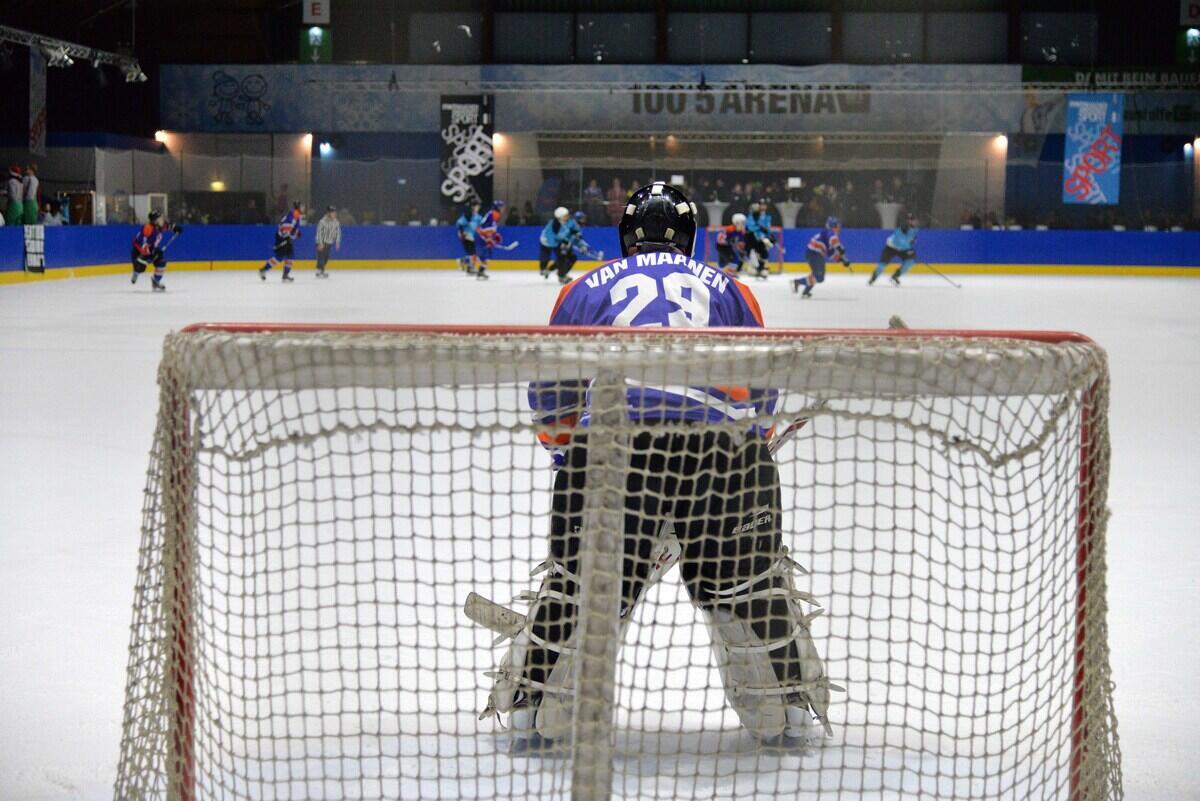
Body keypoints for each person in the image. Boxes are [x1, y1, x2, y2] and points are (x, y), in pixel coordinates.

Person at [476, 181, 834, 751]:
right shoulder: (732, 289)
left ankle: (532, 708)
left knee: (582, 586)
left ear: (626, 237)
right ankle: (787, 710)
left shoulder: (583, 288)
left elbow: (551, 396)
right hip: (723, 457)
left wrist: (571, 454)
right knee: (747, 585)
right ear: (691, 238)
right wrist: (752, 443)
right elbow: (763, 392)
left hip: (612, 452)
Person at [792, 216, 850, 299]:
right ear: (833, 226)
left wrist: (842, 260)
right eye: (837, 226)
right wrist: (839, 248)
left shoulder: (828, 235)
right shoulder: (829, 232)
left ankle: (805, 291)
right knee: (819, 276)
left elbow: (830, 254)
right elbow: (834, 241)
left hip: (814, 253)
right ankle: (797, 282)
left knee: (818, 276)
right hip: (814, 253)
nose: (839, 229)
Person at [131, 210, 181, 292]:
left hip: (150, 249)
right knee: (141, 268)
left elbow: (167, 226)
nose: (163, 220)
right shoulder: (148, 229)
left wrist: (175, 227)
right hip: (139, 252)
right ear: (155, 221)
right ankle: (136, 272)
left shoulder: (158, 226)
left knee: (161, 261)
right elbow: (144, 248)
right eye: (160, 218)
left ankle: (155, 281)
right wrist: (154, 253)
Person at [259, 201, 304, 282]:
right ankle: (282, 274)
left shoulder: (295, 214)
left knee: (285, 256)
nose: (303, 208)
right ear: (298, 207)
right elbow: (286, 226)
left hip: (283, 237)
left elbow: (291, 228)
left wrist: (295, 233)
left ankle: (266, 270)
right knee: (284, 256)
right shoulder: (295, 214)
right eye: (302, 206)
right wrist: (295, 233)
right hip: (283, 237)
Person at [869, 213, 918, 286]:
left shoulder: (915, 229)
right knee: (882, 265)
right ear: (909, 221)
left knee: (910, 261)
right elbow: (897, 241)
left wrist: (911, 244)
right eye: (914, 220)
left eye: (916, 220)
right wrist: (908, 248)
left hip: (903, 249)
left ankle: (895, 276)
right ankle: (873, 278)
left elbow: (910, 240)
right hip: (891, 248)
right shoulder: (903, 227)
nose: (916, 222)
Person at [473, 200, 504, 281]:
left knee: (486, 256)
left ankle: (481, 271)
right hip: (481, 236)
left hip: (482, 235)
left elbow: (490, 227)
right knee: (484, 255)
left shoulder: (492, 213)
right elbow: (486, 228)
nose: (503, 208)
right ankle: (480, 271)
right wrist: (489, 238)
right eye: (501, 206)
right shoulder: (494, 214)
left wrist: (495, 235)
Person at [745, 199, 775, 280]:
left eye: (764, 205)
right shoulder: (753, 214)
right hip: (753, 238)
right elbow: (750, 226)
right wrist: (760, 231)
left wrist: (769, 236)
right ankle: (754, 268)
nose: (763, 206)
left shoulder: (768, 215)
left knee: (763, 252)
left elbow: (767, 228)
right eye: (761, 204)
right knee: (753, 253)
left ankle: (762, 269)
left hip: (762, 238)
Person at [539, 206, 572, 279]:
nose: (568, 217)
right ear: (560, 216)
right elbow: (552, 239)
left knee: (563, 257)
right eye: (565, 215)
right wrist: (564, 243)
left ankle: (561, 275)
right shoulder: (554, 225)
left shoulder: (563, 222)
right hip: (546, 242)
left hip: (554, 242)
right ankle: (543, 268)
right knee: (545, 256)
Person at [314, 205, 341, 279]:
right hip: (321, 242)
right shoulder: (322, 222)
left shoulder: (336, 222)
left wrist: (337, 242)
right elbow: (319, 233)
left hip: (329, 242)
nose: (334, 214)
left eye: (335, 212)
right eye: (333, 212)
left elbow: (338, 232)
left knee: (326, 257)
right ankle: (321, 271)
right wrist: (320, 243)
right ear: (328, 213)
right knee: (321, 257)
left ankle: (319, 269)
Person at [456, 202, 482, 273]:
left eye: (478, 207)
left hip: (472, 236)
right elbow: (460, 223)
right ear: (472, 207)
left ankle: (463, 261)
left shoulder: (478, 217)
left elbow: (480, 226)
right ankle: (470, 268)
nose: (478, 208)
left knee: (473, 254)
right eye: (476, 207)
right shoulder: (468, 215)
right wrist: (461, 233)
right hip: (466, 236)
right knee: (473, 253)